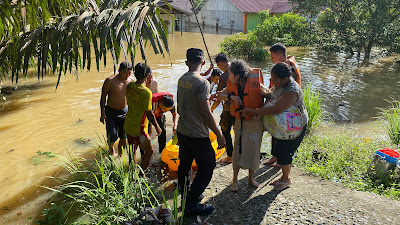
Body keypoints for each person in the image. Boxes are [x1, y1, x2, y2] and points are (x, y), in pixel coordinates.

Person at [241, 62, 308, 191]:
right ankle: (283, 175)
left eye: (274, 79)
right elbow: (273, 94)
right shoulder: (281, 84)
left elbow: (276, 109)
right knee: (279, 149)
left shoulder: (291, 90)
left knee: (285, 152)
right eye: (271, 78)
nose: (272, 81)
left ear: (284, 79)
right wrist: (262, 92)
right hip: (283, 125)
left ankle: (286, 178)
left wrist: (253, 111)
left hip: (294, 127)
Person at [177, 48, 226, 216]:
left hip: (182, 131)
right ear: (203, 63)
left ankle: (185, 197)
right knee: (208, 166)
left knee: (184, 167)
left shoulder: (182, 79)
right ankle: (190, 204)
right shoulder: (203, 83)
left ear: (186, 62)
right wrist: (219, 134)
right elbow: (205, 113)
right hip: (197, 134)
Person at [212, 59, 268, 192]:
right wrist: (231, 98)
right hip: (240, 123)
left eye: (231, 74)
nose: (229, 76)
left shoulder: (256, 84)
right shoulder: (231, 83)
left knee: (254, 151)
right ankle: (235, 180)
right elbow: (221, 95)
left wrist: (260, 111)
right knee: (237, 150)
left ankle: (250, 178)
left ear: (238, 75)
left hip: (254, 123)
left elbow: (271, 95)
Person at [266, 43, 302, 167]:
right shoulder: (284, 66)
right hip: (283, 107)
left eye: (273, 57)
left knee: (282, 137)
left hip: (289, 111)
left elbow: (282, 96)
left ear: (280, 56)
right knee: (275, 133)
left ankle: (281, 161)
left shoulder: (286, 70)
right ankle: (275, 157)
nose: (271, 60)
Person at [124, 63, 162, 170]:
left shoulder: (130, 86)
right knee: (149, 151)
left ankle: (133, 174)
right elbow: (149, 113)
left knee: (133, 151)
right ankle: (141, 176)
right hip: (139, 128)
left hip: (128, 124)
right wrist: (158, 127)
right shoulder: (146, 92)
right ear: (147, 75)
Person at [100, 62, 134, 156]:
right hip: (111, 112)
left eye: (129, 72)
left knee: (124, 136)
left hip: (124, 111)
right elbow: (103, 97)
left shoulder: (131, 81)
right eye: (125, 72)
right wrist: (103, 114)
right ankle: (111, 153)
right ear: (119, 71)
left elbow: (133, 98)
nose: (128, 75)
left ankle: (120, 155)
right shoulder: (110, 81)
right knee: (112, 135)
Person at [214, 53, 235, 163]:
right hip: (240, 107)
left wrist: (211, 109)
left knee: (225, 131)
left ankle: (230, 156)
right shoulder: (237, 69)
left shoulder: (224, 76)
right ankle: (240, 153)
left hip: (228, 109)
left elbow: (219, 97)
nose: (219, 68)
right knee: (238, 131)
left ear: (221, 63)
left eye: (218, 66)